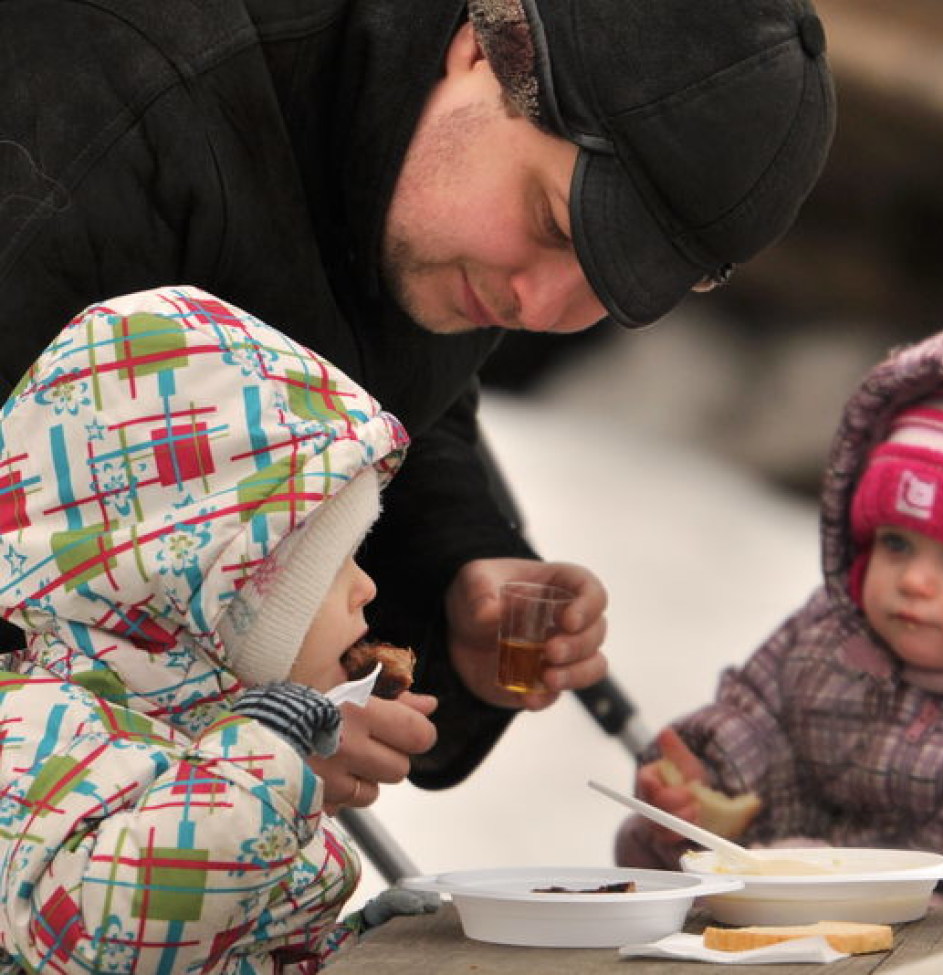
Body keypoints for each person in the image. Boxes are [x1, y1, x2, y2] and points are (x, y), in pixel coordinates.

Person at [0, 0, 837, 798]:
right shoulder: (115, 98)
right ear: (479, 47)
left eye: (607, 292)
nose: (541, 308)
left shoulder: (432, 197)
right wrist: (227, 752)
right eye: (550, 221)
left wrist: (450, 579)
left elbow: (360, 404)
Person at [614, 300, 943, 896]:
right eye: (895, 543)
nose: (914, 581)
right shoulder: (827, 642)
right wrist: (697, 798)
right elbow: (751, 730)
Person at [0, 285, 447, 971]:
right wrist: (265, 752)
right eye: (333, 564)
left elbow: (225, 944)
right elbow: (107, 942)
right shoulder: (36, 734)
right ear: (216, 582)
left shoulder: (208, 734)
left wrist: (342, 948)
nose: (369, 586)